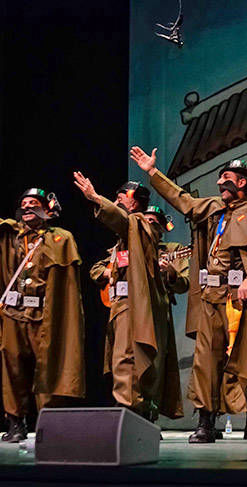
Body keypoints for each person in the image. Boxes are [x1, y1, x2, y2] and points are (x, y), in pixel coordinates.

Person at [130, 146, 247, 443]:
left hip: (241, 300)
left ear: (242, 182)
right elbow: (183, 200)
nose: (218, 183)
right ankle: (205, 421)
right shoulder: (214, 208)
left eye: (225, 177)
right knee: (206, 361)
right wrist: (152, 172)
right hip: (211, 296)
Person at [0, 154, 85, 442]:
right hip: (13, 313)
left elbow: (67, 288)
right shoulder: (9, 233)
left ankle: (48, 423)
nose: (27, 208)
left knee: (48, 367)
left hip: (45, 316)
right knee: (13, 368)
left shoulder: (62, 238)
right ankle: (15, 422)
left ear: (47, 209)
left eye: (34, 204)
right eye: (24, 204)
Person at [76, 174, 182, 421]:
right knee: (123, 358)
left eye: (120, 197)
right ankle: (135, 411)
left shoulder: (141, 225)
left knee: (131, 358)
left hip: (136, 305)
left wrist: (96, 198)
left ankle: (131, 412)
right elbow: (100, 267)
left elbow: (121, 219)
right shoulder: (123, 240)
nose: (116, 201)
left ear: (133, 201)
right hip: (121, 305)